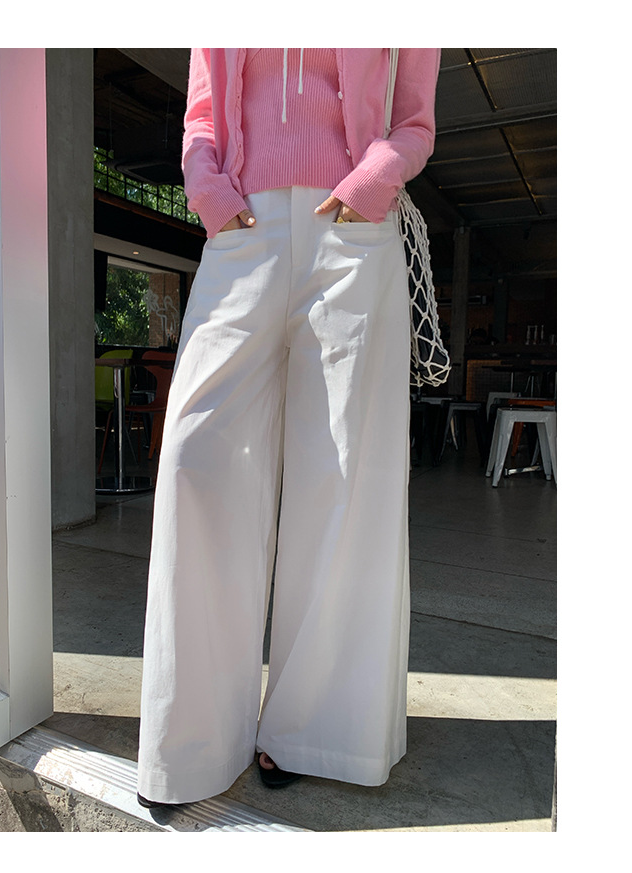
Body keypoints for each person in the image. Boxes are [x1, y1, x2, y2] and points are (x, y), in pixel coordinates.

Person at [137, 48, 441, 807]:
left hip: (353, 227)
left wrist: (373, 180)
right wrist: (207, 190)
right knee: (195, 460)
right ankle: (190, 740)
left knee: (343, 474)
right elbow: (202, 116)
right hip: (240, 229)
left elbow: (414, 121)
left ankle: (313, 729)